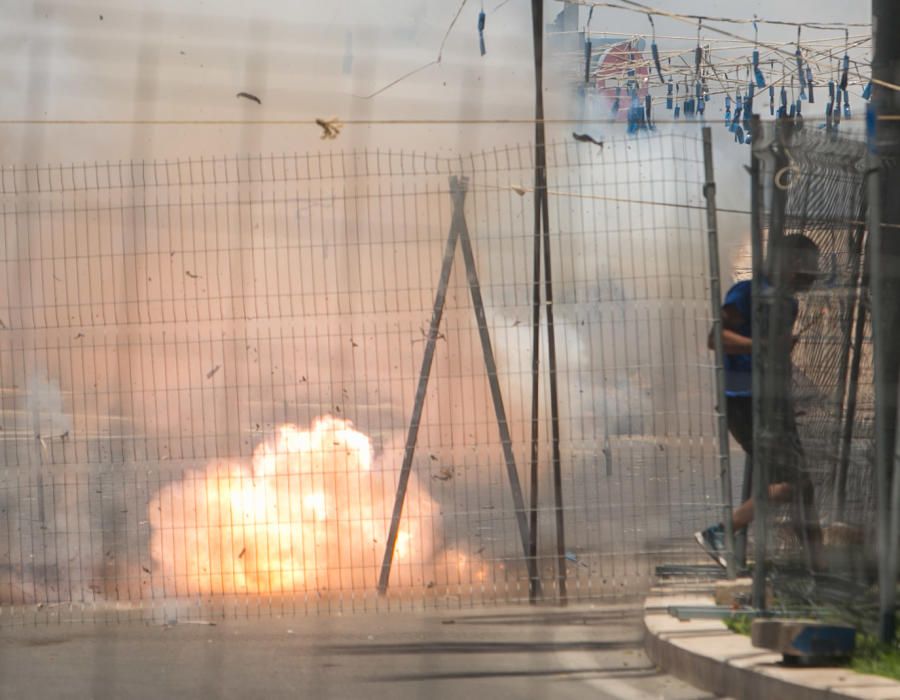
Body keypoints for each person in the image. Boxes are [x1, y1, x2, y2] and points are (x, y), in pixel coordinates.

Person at [695, 233, 825, 571]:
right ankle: (720, 531)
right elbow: (717, 338)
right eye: (807, 266)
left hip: (772, 402)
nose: (811, 275)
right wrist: (764, 346)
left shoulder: (788, 303)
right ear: (790, 263)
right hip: (745, 401)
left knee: (802, 488)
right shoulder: (748, 292)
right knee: (793, 483)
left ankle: (817, 566)